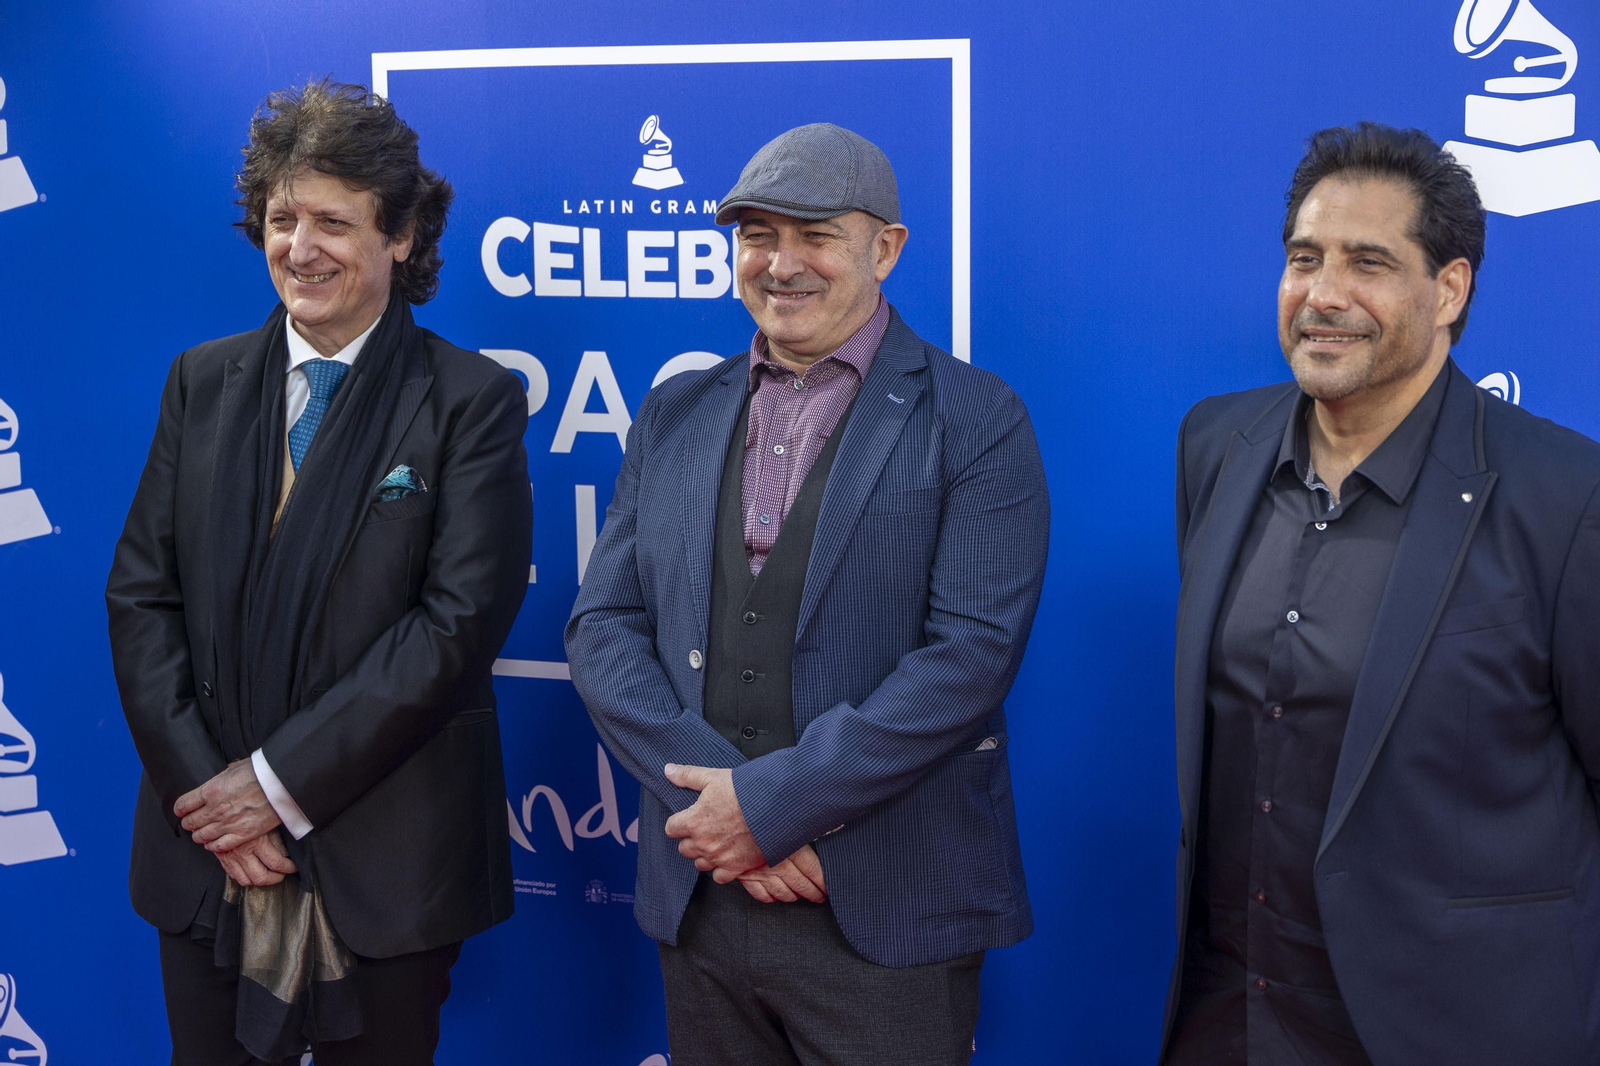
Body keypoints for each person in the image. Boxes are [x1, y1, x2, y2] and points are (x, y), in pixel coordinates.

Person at [565, 122, 1050, 1066]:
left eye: (816, 233)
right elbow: (603, 627)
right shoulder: (674, 412)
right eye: (756, 235)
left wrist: (772, 806)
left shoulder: (977, 417)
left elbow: (970, 657)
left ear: (887, 248)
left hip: (884, 909)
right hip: (702, 901)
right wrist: (726, 817)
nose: (781, 263)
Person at [105, 80, 531, 1066]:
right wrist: (210, 798)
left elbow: (456, 624)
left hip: (384, 859)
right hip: (204, 847)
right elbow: (140, 594)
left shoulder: (471, 401)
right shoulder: (199, 381)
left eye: (335, 222)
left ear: (404, 239)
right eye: (282, 217)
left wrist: (277, 784)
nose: (301, 248)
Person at [1163, 122, 1600, 1064]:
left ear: (1449, 289)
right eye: (1303, 258)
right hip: (1231, 1019)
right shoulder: (1217, 448)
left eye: (1368, 263)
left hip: (1456, 1028)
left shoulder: (1567, 497)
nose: (1324, 296)